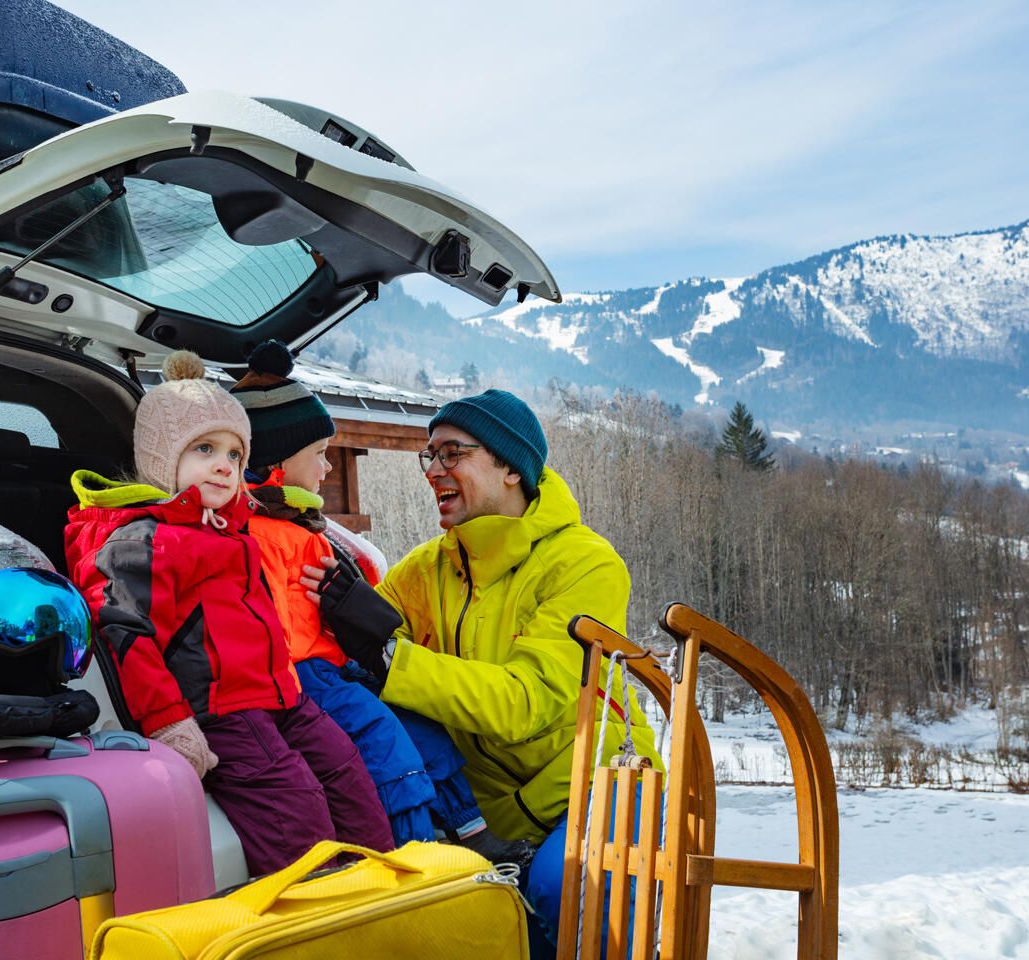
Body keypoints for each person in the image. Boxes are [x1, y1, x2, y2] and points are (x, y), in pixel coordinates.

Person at [302, 388, 664, 948]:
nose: (434, 471)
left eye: (453, 454)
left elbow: (522, 702)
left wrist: (390, 656)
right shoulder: (425, 570)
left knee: (560, 885)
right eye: (430, 456)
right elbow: (357, 652)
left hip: (596, 785)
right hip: (493, 810)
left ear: (511, 468)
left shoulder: (586, 565)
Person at [64, 349, 392, 876]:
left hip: (282, 696)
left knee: (349, 774)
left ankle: (379, 893)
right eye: (204, 449)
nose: (224, 464)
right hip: (222, 712)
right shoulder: (142, 541)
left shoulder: (232, 530)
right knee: (295, 809)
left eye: (236, 455)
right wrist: (170, 722)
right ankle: (313, 915)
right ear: (160, 458)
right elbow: (125, 634)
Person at [230, 341, 531, 863]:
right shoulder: (257, 534)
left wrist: (363, 617)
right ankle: (418, 850)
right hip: (304, 674)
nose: (327, 468)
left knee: (421, 725)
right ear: (277, 460)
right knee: (383, 742)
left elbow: (363, 596)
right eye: (320, 454)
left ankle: (469, 828)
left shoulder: (302, 527)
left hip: (334, 664)